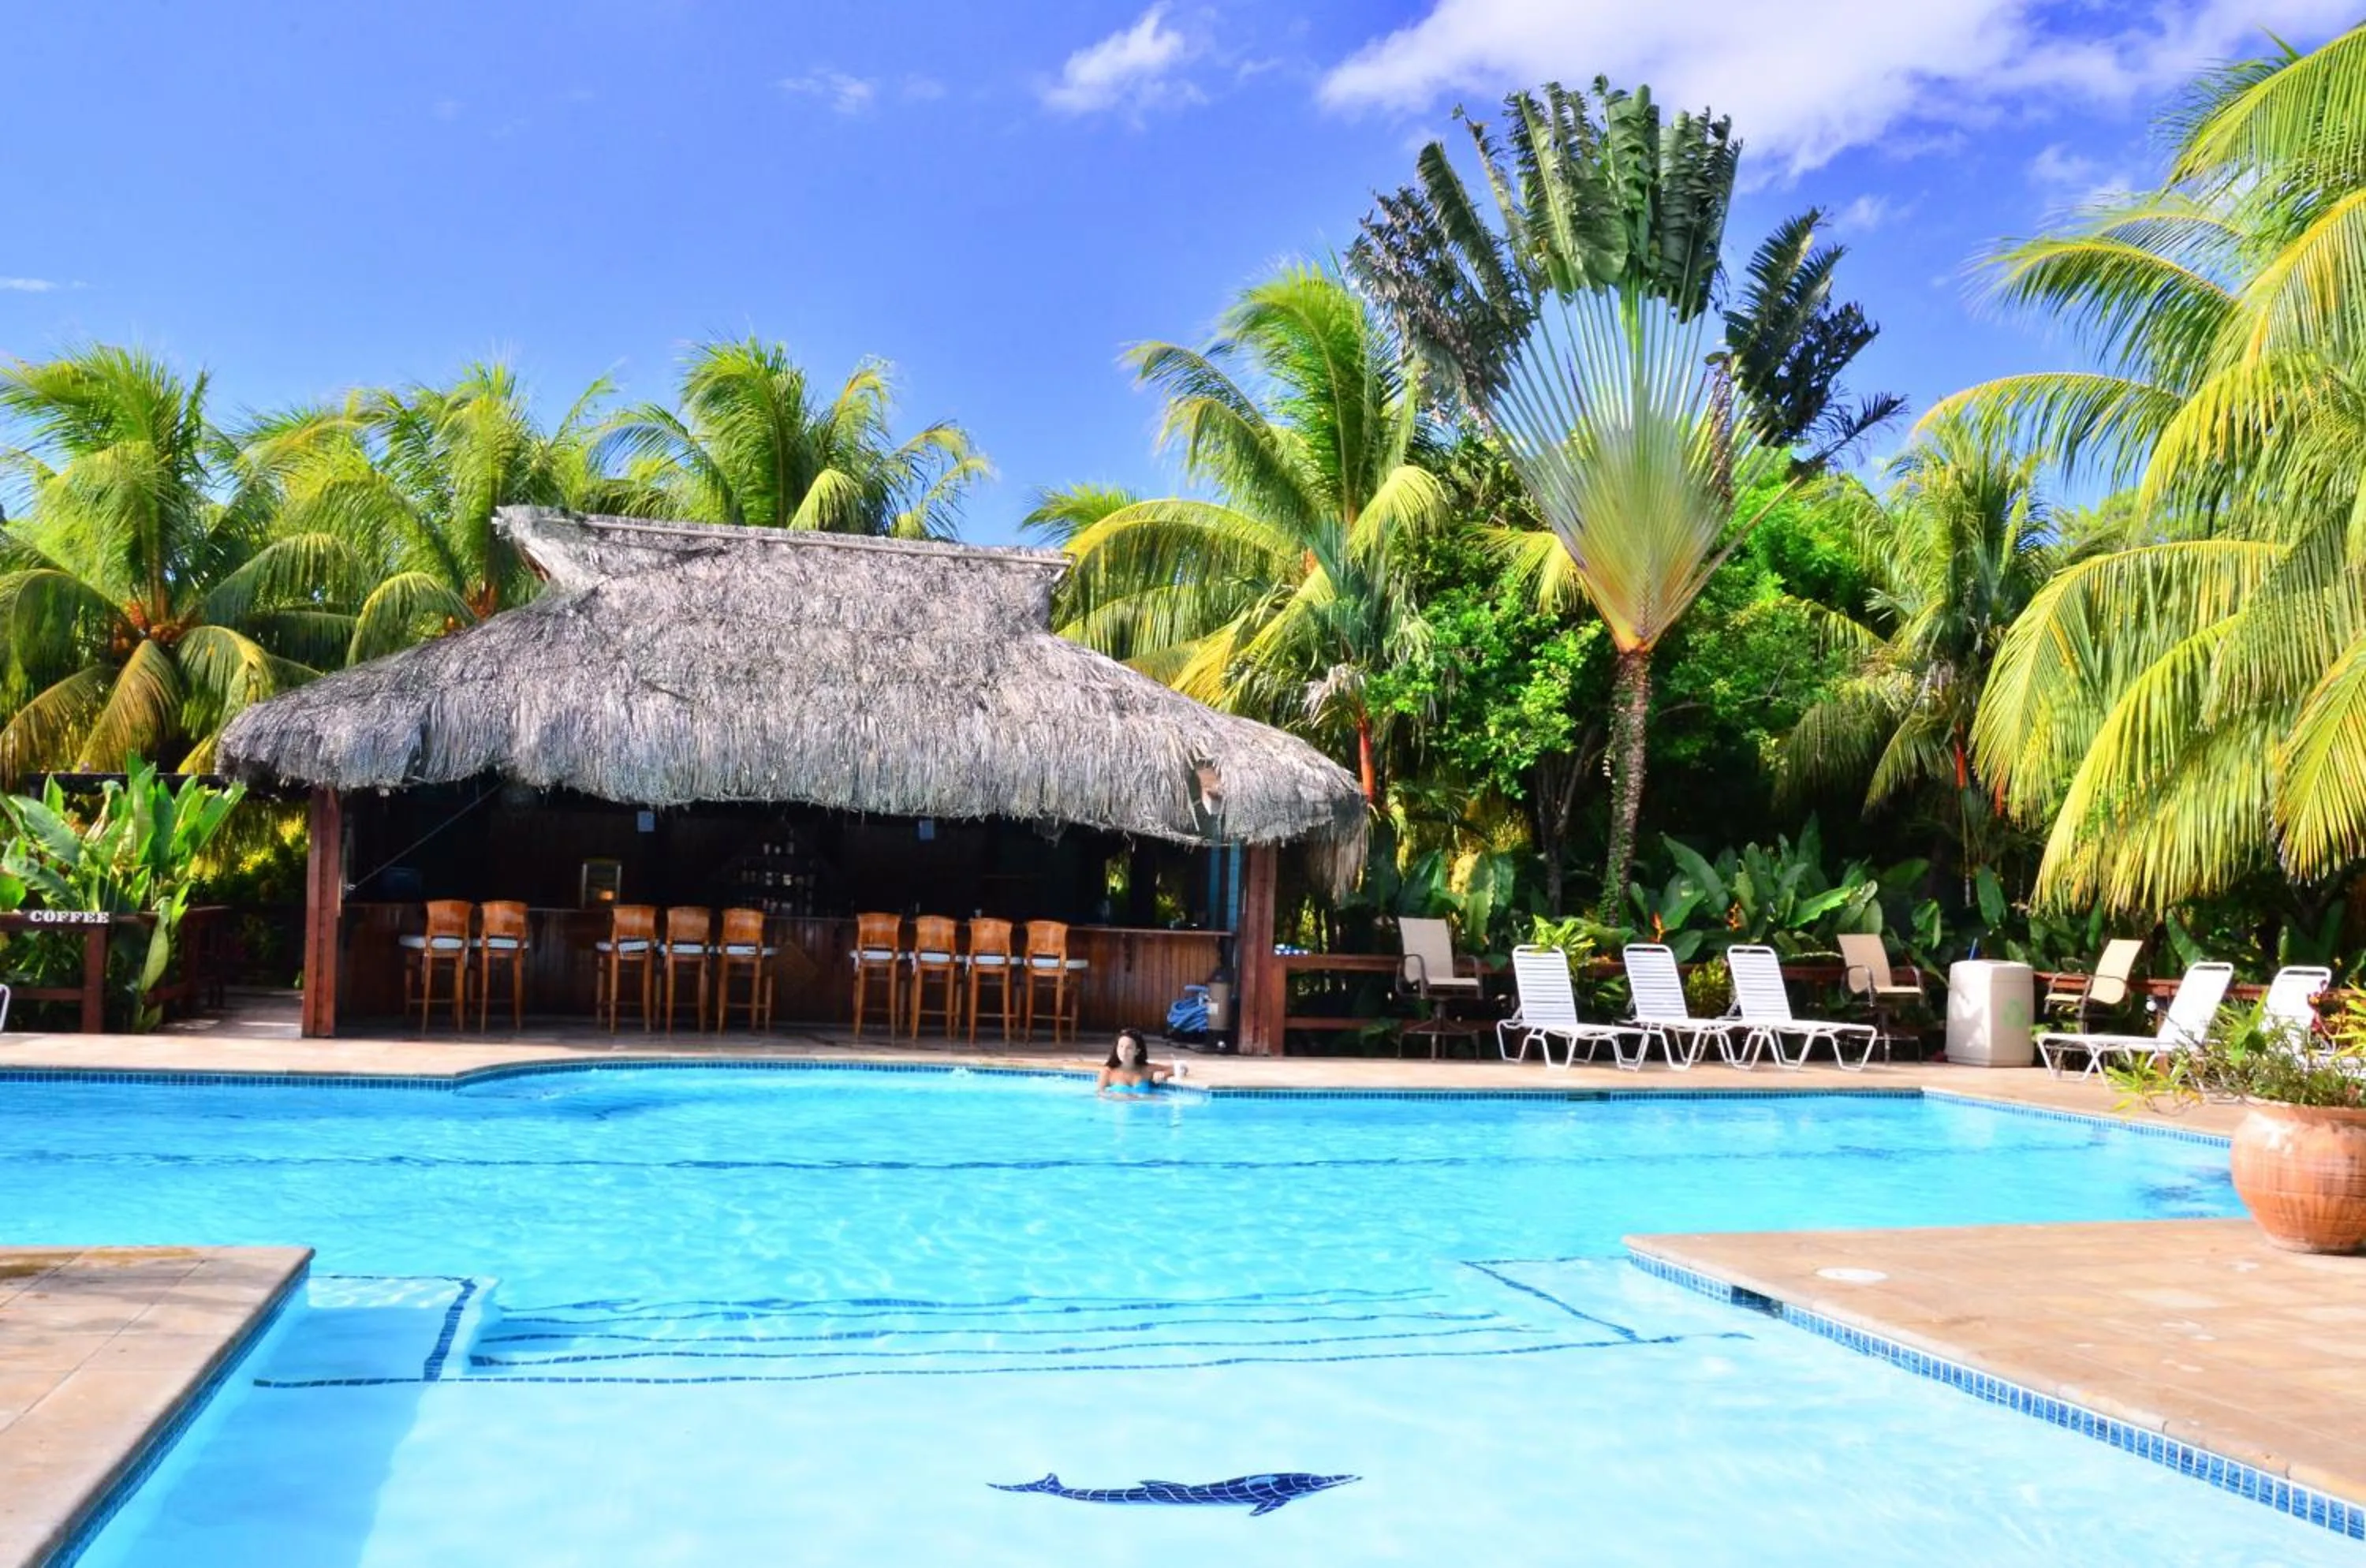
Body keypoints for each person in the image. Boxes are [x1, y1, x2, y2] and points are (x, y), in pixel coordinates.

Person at [1098, 1027, 1180, 1093]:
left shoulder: (1146, 1070)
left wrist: (1165, 1074)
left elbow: (1179, 1068)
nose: (1123, 1051)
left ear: (1137, 1051)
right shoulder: (1108, 1073)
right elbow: (1100, 1099)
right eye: (1121, 1046)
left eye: (1129, 1048)